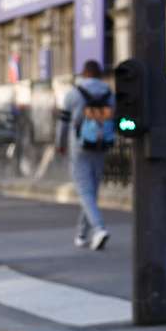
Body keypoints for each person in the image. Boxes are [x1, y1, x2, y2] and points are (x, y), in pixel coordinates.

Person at [57, 60, 114, 250]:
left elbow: (63, 123)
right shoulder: (109, 93)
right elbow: (120, 119)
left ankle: (98, 228)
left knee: (84, 190)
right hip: (102, 144)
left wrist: (60, 144)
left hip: (80, 147)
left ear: (84, 73)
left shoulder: (73, 94)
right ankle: (82, 234)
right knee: (91, 191)